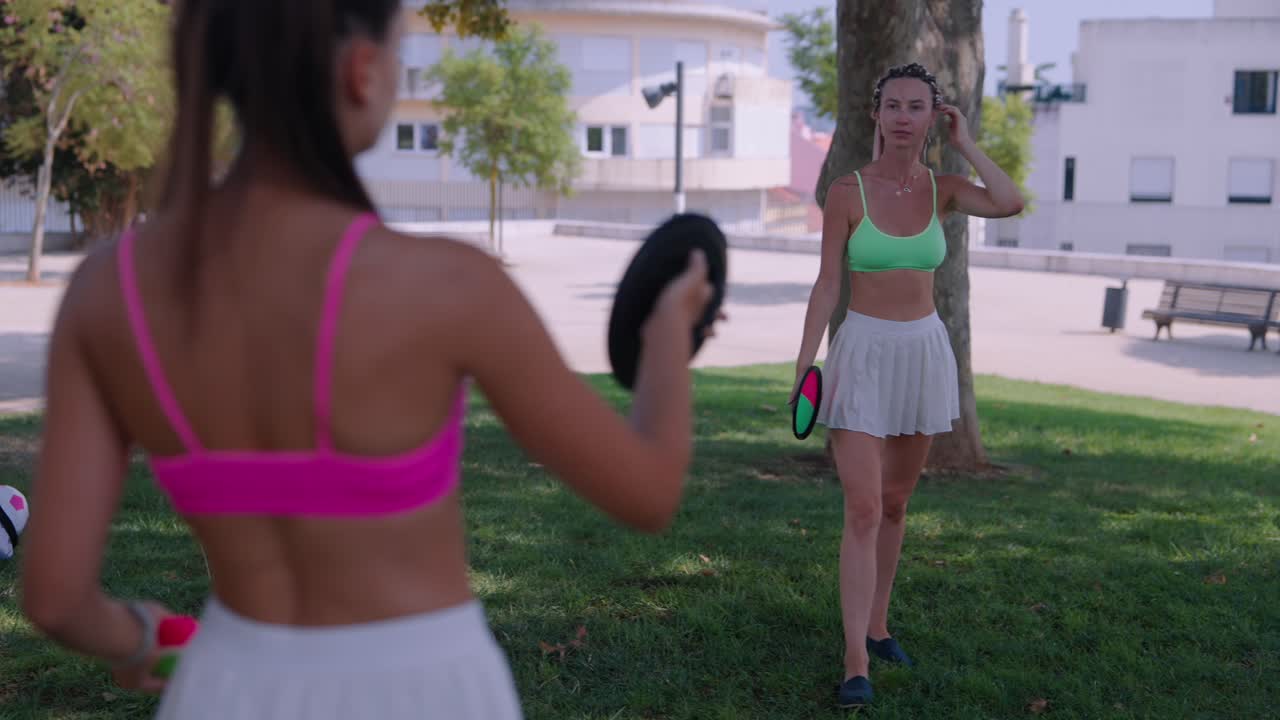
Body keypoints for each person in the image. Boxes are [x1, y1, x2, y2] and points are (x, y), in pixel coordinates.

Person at [19, 2, 719, 718]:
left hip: (223, 688)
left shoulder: (109, 290)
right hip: (425, 693)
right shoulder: (447, 284)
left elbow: (55, 598)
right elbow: (647, 492)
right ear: (361, 71)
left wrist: (139, 639)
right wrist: (668, 333)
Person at [790, 62, 1025, 708]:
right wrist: (805, 364)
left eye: (915, 106)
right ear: (876, 114)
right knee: (864, 507)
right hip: (862, 352)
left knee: (895, 503)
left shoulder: (945, 190)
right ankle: (855, 660)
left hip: (923, 353)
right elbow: (828, 285)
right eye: (891, 104)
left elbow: (1009, 202)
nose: (901, 116)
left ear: (932, 118)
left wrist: (967, 144)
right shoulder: (847, 192)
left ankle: (879, 625)